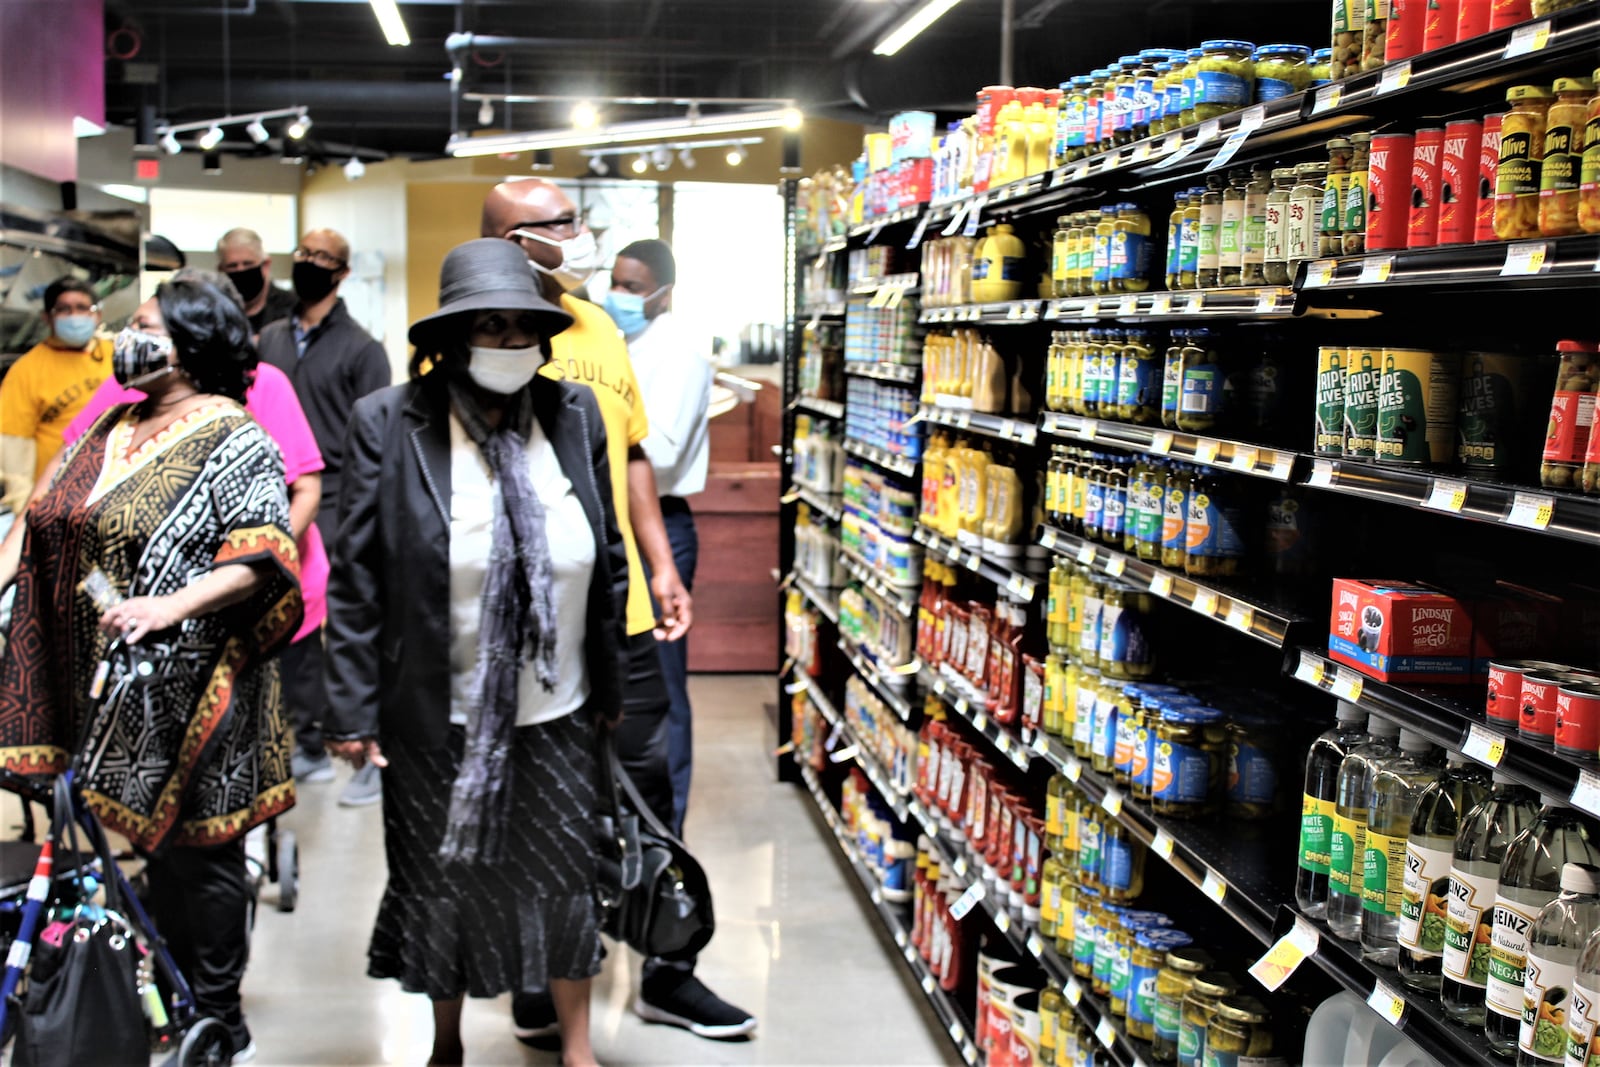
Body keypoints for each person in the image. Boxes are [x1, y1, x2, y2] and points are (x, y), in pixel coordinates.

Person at [322, 238, 624, 1067]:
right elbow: (356, 576)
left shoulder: (574, 415)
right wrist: (347, 706)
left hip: (557, 705)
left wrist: (613, 680)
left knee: (563, 879)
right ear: (452, 338)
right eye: (488, 326)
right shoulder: (391, 420)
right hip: (434, 706)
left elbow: (608, 552)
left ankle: (577, 1046)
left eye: (522, 325)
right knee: (440, 881)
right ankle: (445, 1041)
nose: (508, 342)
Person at [0, 278, 303, 1063]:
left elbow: (264, 553)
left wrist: (171, 606)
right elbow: (42, 514)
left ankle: (216, 1017)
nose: (122, 341)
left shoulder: (237, 437)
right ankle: (164, 1000)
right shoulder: (110, 424)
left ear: (193, 344)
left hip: (198, 687)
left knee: (200, 856)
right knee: (152, 862)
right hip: (112, 683)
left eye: (143, 327)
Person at [482, 178, 755, 1041]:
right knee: (532, 795)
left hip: (623, 601)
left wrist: (662, 565)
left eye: (577, 216)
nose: (581, 232)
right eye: (560, 223)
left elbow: (632, 451)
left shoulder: (599, 323)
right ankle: (535, 970)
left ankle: (666, 965)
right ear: (510, 238)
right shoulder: (472, 330)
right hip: (525, 615)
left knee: (648, 783)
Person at [63, 269, 334, 786]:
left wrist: (234, 572)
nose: (130, 338)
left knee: (255, 720)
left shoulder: (258, 396)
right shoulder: (125, 406)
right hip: (156, 618)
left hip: (263, 594)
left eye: (146, 325)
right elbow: (67, 480)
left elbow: (301, 496)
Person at [257, 227, 391, 804]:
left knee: (346, 619)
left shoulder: (363, 350)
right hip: (271, 494)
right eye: (303, 254)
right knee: (293, 624)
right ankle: (304, 738)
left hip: (337, 497)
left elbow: (379, 440)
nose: (308, 264)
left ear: (341, 272)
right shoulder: (266, 340)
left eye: (322, 258)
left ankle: (356, 743)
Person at [605, 239, 712, 835]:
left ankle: (666, 835)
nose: (618, 295)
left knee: (662, 688)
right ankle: (624, 822)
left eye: (632, 286)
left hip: (660, 527)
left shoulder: (679, 356)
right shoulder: (618, 348)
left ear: (663, 293)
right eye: (615, 282)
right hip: (613, 521)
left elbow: (662, 459)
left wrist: (598, 442)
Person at [0, 277, 113, 514]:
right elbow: (13, 449)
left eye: (82, 308)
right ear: (47, 318)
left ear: (98, 315)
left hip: (113, 488)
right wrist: (25, 507)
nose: (74, 316)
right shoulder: (26, 370)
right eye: (64, 309)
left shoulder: (116, 355)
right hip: (57, 499)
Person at [216, 227, 298, 334]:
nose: (241, 270)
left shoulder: (293, 307)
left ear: (265, 265)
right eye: (232, 266)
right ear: (221, 270)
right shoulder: (215, 311)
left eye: (248, 264)